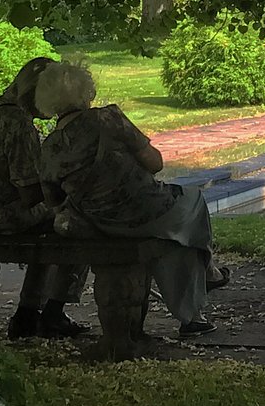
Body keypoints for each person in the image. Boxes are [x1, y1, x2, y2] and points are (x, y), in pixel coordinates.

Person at [34, 61, 228, 339]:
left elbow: (53, 200)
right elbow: (155, 163)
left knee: (169, 236)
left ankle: (197, 308)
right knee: (190, 206)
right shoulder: (108, 118)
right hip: (149, 210)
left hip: (100, 225)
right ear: (85, 91)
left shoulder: (50, 147)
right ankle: (198, 299)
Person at [0, 56, 89, 338]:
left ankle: (30, 312)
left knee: (56, 217)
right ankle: (48, 313)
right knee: (77, 220)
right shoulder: (18, 123)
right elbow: (30, 195)